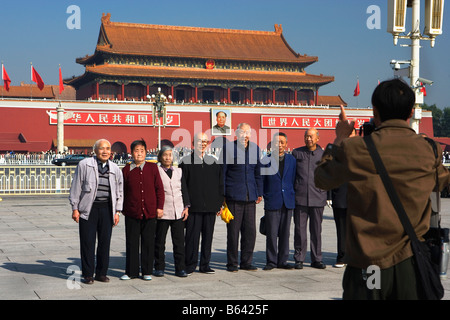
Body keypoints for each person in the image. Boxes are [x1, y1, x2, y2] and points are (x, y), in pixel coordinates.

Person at [314, 78, 450, 300]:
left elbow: (322, 178)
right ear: (410, 112)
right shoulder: (429, 150)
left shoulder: (356, 148)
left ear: (375, 112)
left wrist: (339, 138)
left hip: (369, 266)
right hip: (410, 265)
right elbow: (441, 181)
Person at [69, 139, 123, 284]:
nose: (105, 151)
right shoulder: (84, 165)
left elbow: (119, 191)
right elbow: (76, 186)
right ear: (95, 150)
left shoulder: (115, 168)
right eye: (102, 148)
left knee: (105, 243)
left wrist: (117, 211)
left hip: (107, 209)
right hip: (88, 209)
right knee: (87, 242)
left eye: (108, 148)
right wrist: (75, 208)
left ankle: (101, 273)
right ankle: (87, 274)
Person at [179, 132, 224, 275]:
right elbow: (182, 186)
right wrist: (186, 204)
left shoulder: (214, 162)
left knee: (208, 237)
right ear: (193, 143)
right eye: (199, 141)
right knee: (191, 238)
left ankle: (205, 264)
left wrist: (219, 204)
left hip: (210, 208)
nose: (203, 143)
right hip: (193, 208)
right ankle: (190, 265)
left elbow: (219, 184)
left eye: (205, 141)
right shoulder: (185, 162)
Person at [121, 139, 164, 281]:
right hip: (132, 211)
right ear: (131, 153)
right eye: (136, 151)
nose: (139, 153)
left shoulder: (153, 168)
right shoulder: (126, 170)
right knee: (132, 242)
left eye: (142, 151)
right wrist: (122, 208)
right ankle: (131, 272)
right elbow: (123, 191)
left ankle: (147, 271)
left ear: (146, 152)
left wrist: (160, 207)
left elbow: (159, 189)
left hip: (150, 211)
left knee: (148, 242)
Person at [222, 123, 263, 272]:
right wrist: (223, 196)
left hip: (250, 196)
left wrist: (259, 192)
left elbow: (258, 172)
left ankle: (246, 262)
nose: (245, 135)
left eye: (247, 132)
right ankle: (232, 263)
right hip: (234, 196)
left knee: (250, 232)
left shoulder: (255, 149)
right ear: (236, 133)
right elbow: (223, 173)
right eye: (242, 132)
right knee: (233, 233)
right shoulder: (228, 149)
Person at [292, 128, 327, 269]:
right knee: (299, 230)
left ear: (318, 138)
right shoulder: (297, 153)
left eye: (311, 136)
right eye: (306, 136)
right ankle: (299, 258)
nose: (308, 139)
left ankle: (316, 259)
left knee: (316, 230)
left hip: (318, 197)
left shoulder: (324, 155)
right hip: (300, 197)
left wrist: (327, 196)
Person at [261, 132, 296, 270]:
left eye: (282, 142)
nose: (279, 145)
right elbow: (262, 181)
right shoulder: (266, 160)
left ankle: (283, 260)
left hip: (287, 201)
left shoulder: (292, 160)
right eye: (277, 142)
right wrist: (265, 195)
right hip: (272, 200)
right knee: (271, 233)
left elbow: (293, 179)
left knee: (285, 233)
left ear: (286, 144)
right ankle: (271, 261)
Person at [154, 146, 190, 277]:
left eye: (170, 155)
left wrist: (186, 207)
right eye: (165, 155)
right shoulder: (156, 171)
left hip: (178, 211)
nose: (168, 157)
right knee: (159, 242)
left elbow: (184, 190)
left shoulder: (179, 171)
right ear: (160, 157)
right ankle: (159, 267)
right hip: (162, 211)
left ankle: (180, 268)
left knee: (179, 242)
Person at [330, 128, 356, 268]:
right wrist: (329, 196)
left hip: (358, 198)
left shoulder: (363, 153)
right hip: (340, 196)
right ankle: (341, 256)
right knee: (341, 229)